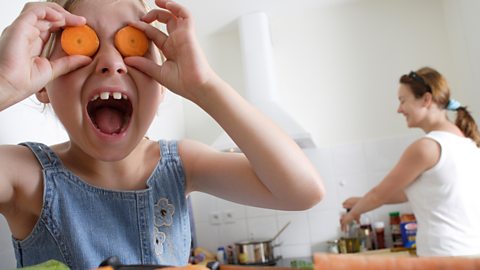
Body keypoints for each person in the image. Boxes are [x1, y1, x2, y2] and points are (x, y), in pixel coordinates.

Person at [0, 0, 325, 268]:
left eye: (132, 43)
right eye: (82, 40)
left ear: (162, 85)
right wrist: (4, 83)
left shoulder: (180, 163)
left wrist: (205, 86)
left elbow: (302, 190)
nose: (112, 62)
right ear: (43, 84)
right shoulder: (24, 175)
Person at [340, 67, 480, 257]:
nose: (399, 109)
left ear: (426, 99)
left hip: (444, 256)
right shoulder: (468, 144)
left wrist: (351, 215)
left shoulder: (427, 147)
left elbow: (379, 194)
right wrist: (360, 202)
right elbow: (410, 192)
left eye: (402, 100)